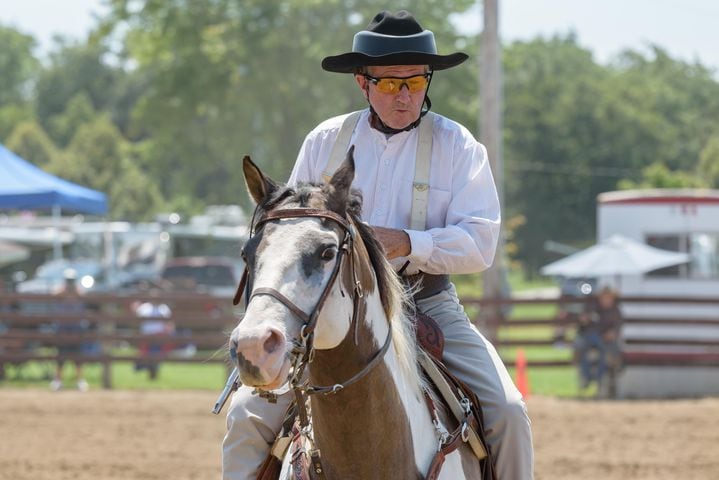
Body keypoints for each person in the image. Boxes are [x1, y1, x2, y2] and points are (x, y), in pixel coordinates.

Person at [223, 10, 534, 479]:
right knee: (246, 416)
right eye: (389, 84)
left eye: (415, 81)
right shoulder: (324, 140)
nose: (405, 95)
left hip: (427, 305)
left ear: (428, 80)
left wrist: (409, 242)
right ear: (362, 83)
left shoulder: (459, 145)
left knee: (509, 413)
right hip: (333, 308)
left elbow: (481, 243)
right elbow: (290, 233)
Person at [574, 286, 622, 392]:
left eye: (608, 297)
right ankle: (587, 378)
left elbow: (617, 328)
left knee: (604, 354)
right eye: (604, 297)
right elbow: (582, 326)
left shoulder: (615, 311)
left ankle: (597, 380)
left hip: (606, 342)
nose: (606, 299)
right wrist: (583, 321)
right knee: (582, 349)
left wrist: (611, 334)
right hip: (592, 339)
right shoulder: (593, 307)